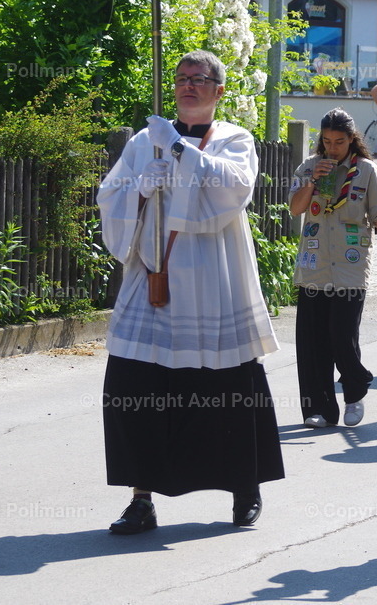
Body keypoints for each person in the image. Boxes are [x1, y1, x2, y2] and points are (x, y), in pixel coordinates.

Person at [98, 50, 283, 534]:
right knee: (135, 383)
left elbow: (231, 190)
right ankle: (141, 497)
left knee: (226, 389)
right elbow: (109, 194)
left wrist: (178, 150)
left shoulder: (236, 139)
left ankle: (245, 487)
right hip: (154, 275)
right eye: (180, 78)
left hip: (213, 278)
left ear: (219, 91)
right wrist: (139, 187)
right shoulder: (144, 141)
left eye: (199, 79)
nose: (187, 86)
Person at [289, 108, 377, 428]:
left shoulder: (366, 171)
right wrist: (312, 181)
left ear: (352, 139)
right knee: (312, 343)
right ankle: (320, 410)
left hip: (350, 268)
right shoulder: (310, 167)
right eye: (326, 142)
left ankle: (354, 391)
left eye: (339, 142)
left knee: (342, 337)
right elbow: (296, 208)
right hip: (314, 266)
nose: (332, 148)